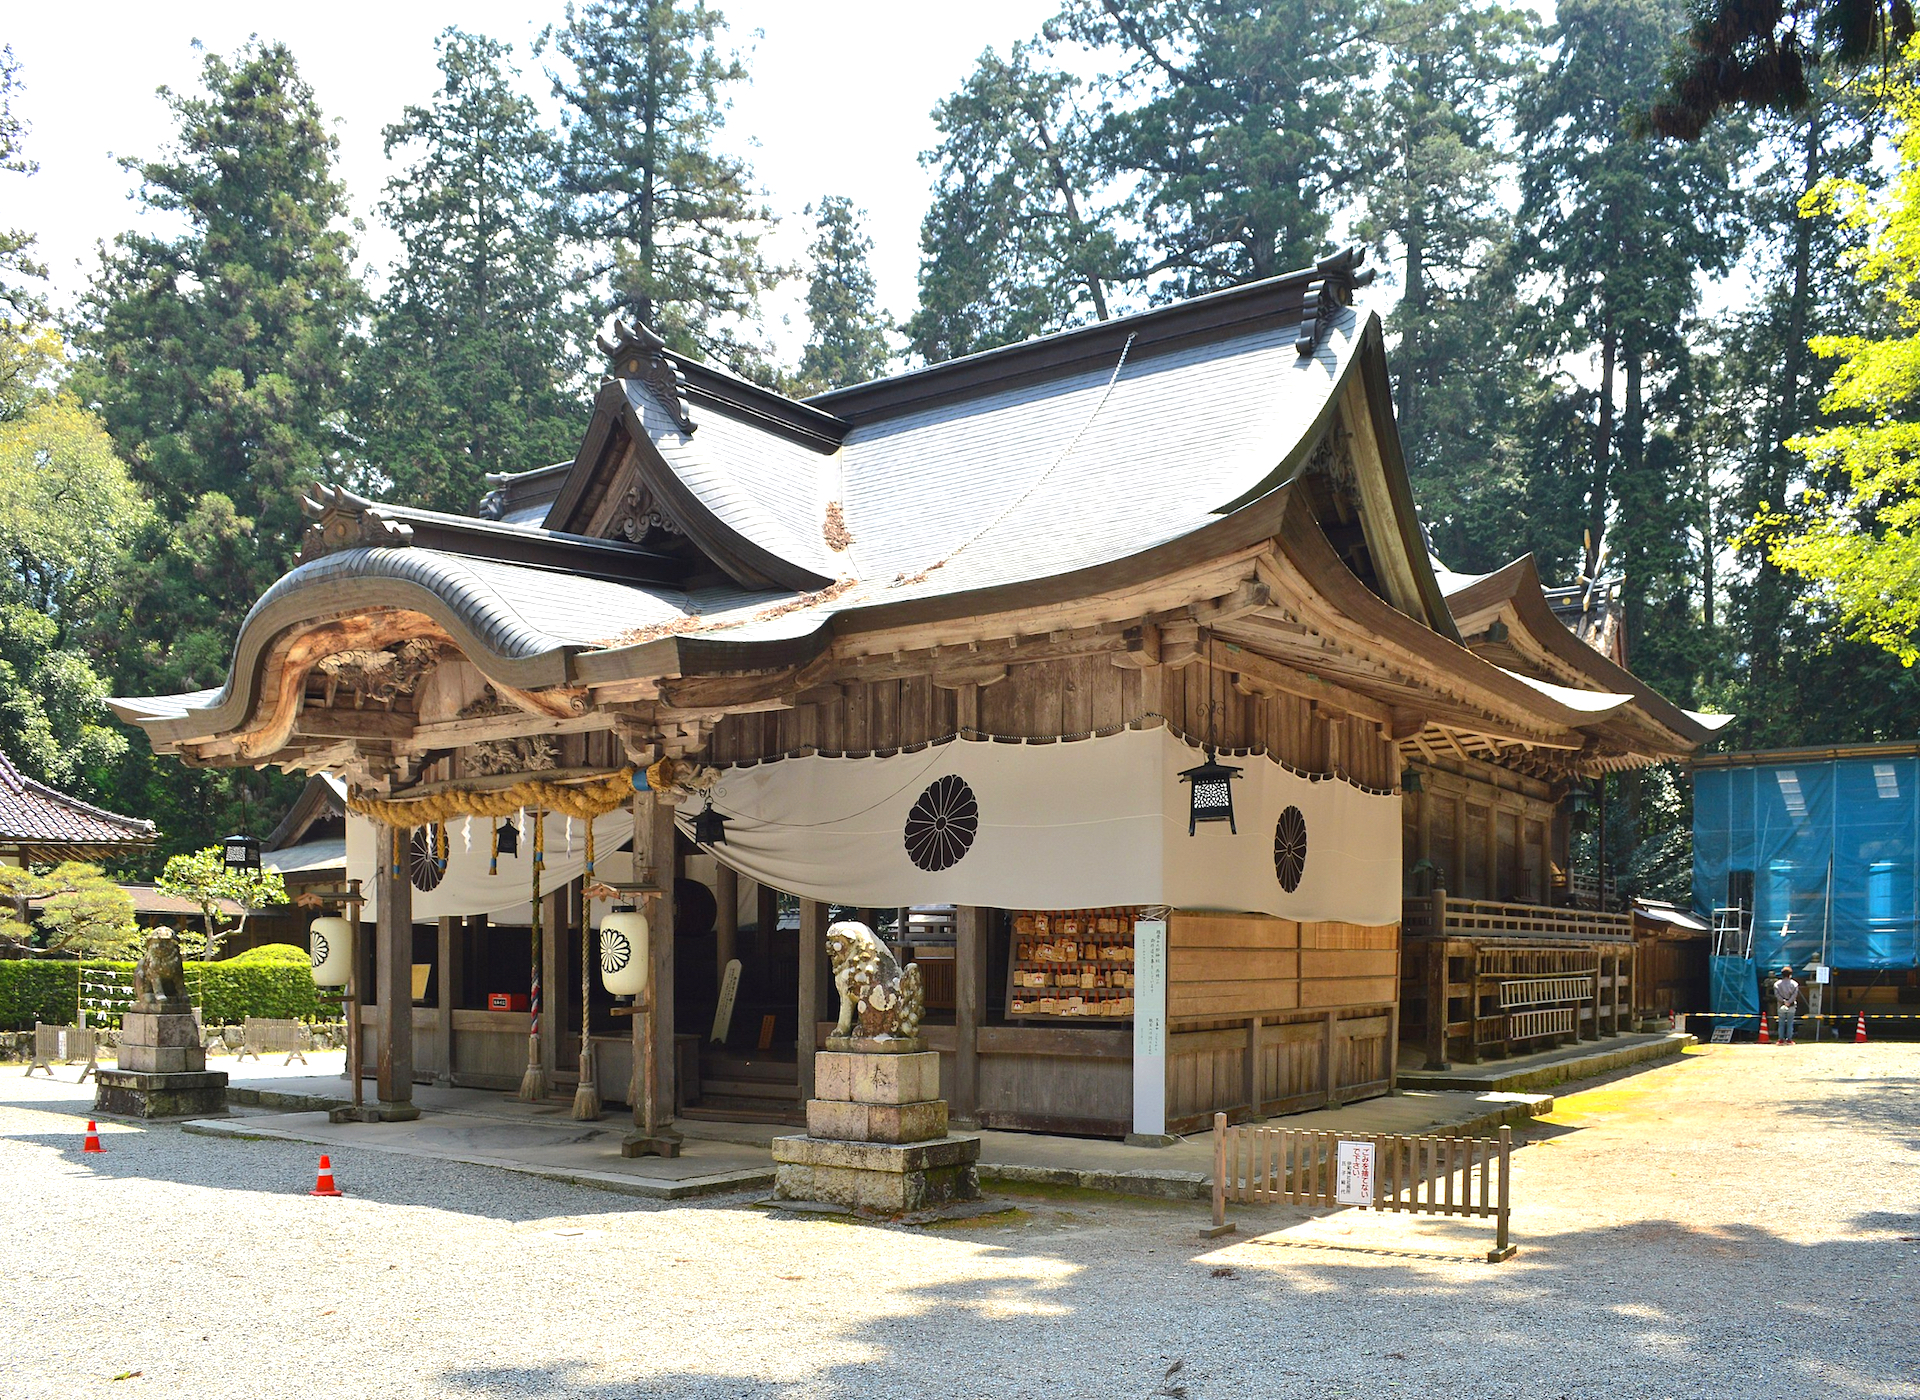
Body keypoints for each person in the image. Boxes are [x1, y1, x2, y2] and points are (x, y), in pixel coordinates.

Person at [1773, 966, 1801, 1045]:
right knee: (1790, 1023)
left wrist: (1783, 1001)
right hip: (1791, 1005)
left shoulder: (1777, 984)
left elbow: (1777, 995)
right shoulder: (1795, 984)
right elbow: (1795, 995)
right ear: (1790, 974)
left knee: (1781, 1023)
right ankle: (1789, 1039)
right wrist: (1789, 1002)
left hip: (1781, 1005)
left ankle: (1781, 1039)